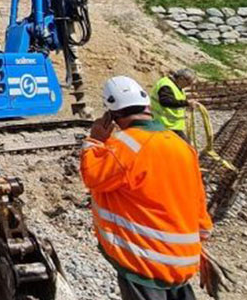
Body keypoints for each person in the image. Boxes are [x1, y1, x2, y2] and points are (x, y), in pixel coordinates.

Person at [81, 75, 212, 300]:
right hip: (183, 261)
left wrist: (95, 141)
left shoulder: (122, 148)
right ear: (148, 107)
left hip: (146, 261)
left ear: (111, 116)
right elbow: (197, 200)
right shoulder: (183, 147)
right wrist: (200, 246)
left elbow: (93, 176)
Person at [151, 68, 197, 140]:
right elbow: (166, 101)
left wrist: (187, 103)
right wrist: (186, 103)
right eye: (188, 83)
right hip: (164, 125)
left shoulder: (175, 86)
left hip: (172, 126)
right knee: (183, 148)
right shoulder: (166, 85)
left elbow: (175, 100)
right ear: (181, 79)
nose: (188, 85)